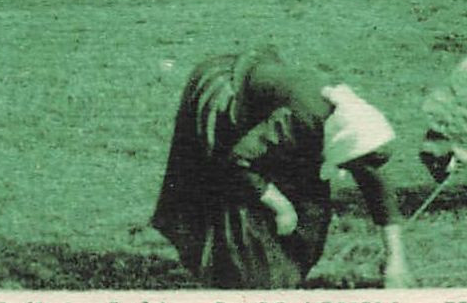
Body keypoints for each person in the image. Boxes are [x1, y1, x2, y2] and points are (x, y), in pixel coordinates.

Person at [152, 46, 413, 289]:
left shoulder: (358, 130)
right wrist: (281, 206)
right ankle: (235, 271)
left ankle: (285, 271)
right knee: (234, 203)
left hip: (287, 117)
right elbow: (240, 161)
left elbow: (378, 189)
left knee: (310, 207)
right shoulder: (296, 120)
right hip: (231, 94)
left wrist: (396, 260)